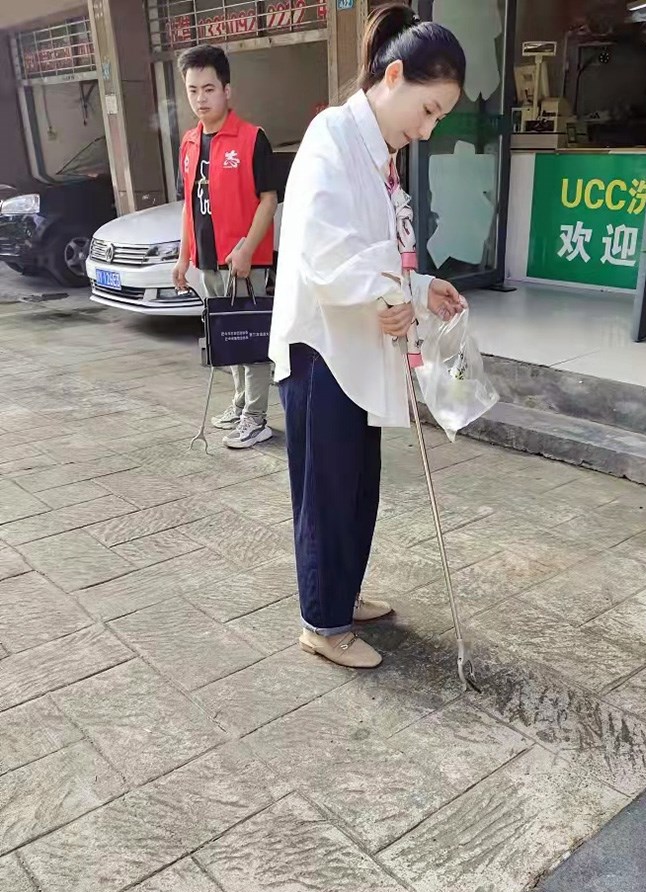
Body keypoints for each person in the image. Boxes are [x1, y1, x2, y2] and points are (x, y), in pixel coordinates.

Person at [270, 3, 466, 670]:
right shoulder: (332, 134)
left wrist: (419, 288)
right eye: (429, 109)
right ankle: (322, 623)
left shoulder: (380, 155)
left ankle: (343, 594)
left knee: (357, 484)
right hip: (322, 348)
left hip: (355, 348)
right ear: (396, 76)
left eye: (439, 118)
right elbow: (322, 250)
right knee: (327, 490)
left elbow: (382, 251)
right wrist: (389, 295)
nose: (428, 128)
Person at [173, 44, 279, 450]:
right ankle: (239, 403)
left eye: (209, 89)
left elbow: (268, 200)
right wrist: (183, 257)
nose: (201, 99)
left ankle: (256, 417)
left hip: (244, 263)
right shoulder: (189, 143)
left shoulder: (252, 139)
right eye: (193, 90)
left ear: (227, 90)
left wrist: (248, 249)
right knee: (226, 337)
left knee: (250, 339)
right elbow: (190, 206)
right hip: (209, 261)